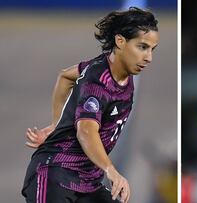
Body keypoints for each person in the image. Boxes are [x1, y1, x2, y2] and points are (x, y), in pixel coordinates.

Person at [22, 7, 159, 203]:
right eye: (142, 47)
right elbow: (86, 131)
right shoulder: (98, 82)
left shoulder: (113, 73)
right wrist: (111, 170)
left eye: (152, 49)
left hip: (87, 183)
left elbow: (65, 76)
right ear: (120, 41)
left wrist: (56, 125)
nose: (149, 57)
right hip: (56, 175)